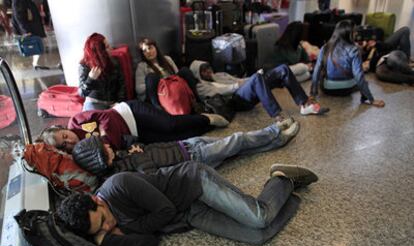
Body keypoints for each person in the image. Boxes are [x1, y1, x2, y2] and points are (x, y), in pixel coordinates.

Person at [56, 161, 319, 246]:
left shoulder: (119, 185)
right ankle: (289, 194)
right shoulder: (102, 225)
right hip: (191, 213)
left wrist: (129, 228)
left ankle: (280, 179)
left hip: (195, 183)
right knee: (257, 236)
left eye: (102, 219)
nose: (108, 227)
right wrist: (106, 241)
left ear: (97, 200)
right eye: (99, 229)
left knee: (260, 217)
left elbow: (165, 211)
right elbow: (149, 243)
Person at [72, 121, 300, 176]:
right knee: (238, 140)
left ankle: (278, 140)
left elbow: (135, 141)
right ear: (100, 160)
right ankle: (274, 131)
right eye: (103, 149)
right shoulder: (124, 174)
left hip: (186, 145)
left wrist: (137, 147)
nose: (107, 145)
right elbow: (160, 177)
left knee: (236, 146)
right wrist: (143, 159)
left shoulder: (120, 156)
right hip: (194, 157)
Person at [36, 100, 229, 153]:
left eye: (64, 136)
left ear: (62, 128)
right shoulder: (80, 150)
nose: (69, 140)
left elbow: (107, 117)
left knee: (171, 125)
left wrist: (104, 140)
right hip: (136, 135)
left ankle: (206, 118)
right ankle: (208, 127)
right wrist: (106, 138)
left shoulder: (76, 121)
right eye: (65, 144)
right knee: (175, 138)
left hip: (131, 112)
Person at [190, 60, 329, 124]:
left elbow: (239, 79)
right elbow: (222, 91)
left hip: (245, 89)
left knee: (283, 69)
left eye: (208, 68)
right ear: (198, 73)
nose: (208, 72)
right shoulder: (201, 86)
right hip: (236, 100)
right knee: (257, 78)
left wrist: (251, 79)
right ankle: (277, 116)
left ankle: (304, 104)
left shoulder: (220, 74)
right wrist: (249, 81)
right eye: (204, 71)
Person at [311, 20, 385, 107]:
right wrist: (371, 99)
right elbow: (359, 76)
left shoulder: (325, 47)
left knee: (322, 74)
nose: (356, 34)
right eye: (354, 32)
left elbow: (316, 72)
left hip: (327, 89)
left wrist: (313, 94)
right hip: (346, 89)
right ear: (348, 33)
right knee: (365, 82)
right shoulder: (354, 49)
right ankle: (364, 99)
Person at [135, 37, 200, 110]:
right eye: (145, 51)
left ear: (155, 48)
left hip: (172, 89)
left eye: (150, 48)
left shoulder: (167, 59)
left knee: (184, 70)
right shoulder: (142, 66)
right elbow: (139, 89)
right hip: (158, 94)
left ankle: (197, 101)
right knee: (151, 77)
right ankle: (159, 110)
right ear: (143, 54)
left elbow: (177, 75)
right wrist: (160, 83)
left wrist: (169, 82)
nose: (148, 52)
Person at [78, 33, 127, 111]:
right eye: (107, 47)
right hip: (95, 102)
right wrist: (90, 79)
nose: (111, 48)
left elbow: (121, 85)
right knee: (98, 120)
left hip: (113, 102)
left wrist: (119, 102)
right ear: (99, 51)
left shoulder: (114, 62)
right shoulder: (84, 65)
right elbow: (81, 93)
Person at [11, 0, 48, 69]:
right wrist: (26, 31)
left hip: (32, 26)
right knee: (36, 45)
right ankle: (36, 64)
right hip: (30, 28)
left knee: (38, 44)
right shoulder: (18, 1)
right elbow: (19, 17)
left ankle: (36, 64)